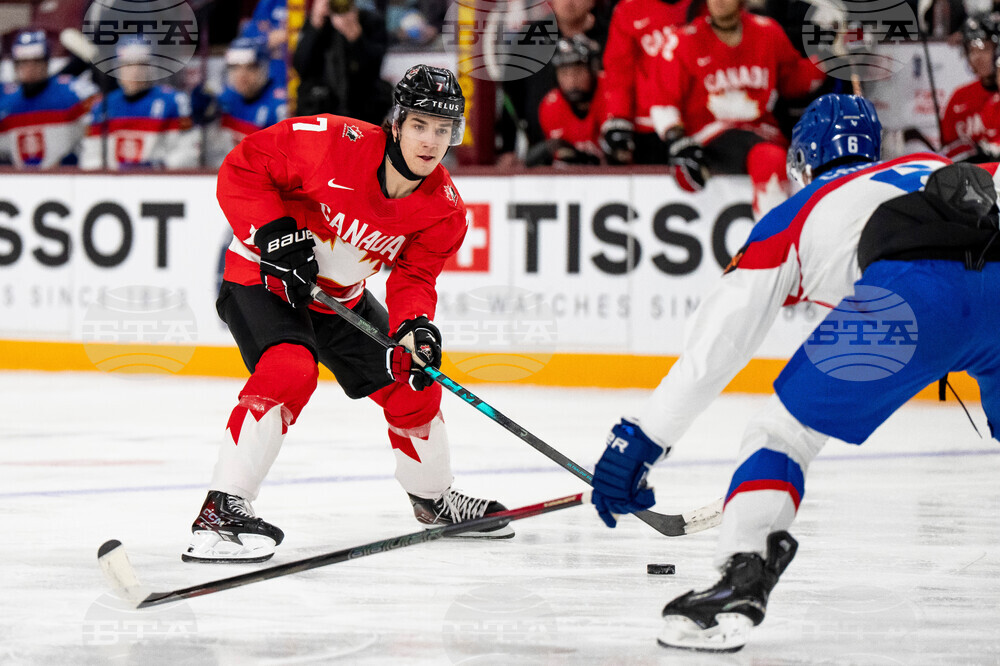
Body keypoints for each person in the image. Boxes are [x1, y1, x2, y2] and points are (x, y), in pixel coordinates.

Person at [590, 94, 1000, 651]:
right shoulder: (939, 166)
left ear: (803, 159)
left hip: (908, 300)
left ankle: (740, 576)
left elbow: (716, 350)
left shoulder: (794, 212)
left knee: (780, 433)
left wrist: (641, 440)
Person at [185, 65, 513, 563]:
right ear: (397, 123)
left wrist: (414, 326)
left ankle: (434, 500)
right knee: (291, 368)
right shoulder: (332, 141)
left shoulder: (445, 211)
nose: (430, 141)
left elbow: (414, 278)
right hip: (263, 277)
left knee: (413, 377)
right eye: (420, 125)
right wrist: (274, 233)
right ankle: (221, 512)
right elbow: (242, 166)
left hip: (342, 297)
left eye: (442, 130)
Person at [650, 0, 826, 219]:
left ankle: (774, 239)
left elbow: (793, 81)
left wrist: (829, 58)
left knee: (786, 156)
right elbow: (663, 101)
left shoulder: (767, 32)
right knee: (769, 158)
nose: (719, 1)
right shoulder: (683, 40)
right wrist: (677, 140)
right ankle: (770, 241)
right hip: (709, 139)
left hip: (761, 135)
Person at [599, 0, 707, 165]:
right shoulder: (628, 10)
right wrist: (619, 117)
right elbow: (619, 70)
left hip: (700, 122)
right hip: (648, 126)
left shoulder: (706, 6)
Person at [78, 38, 199, 170]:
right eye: (128, 65)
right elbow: (90, 158)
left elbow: (189, 153)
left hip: (159, 186)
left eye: (141, 65)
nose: (135, 72)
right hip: (113, 187)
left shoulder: (175, 102)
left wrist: (157, 167)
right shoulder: (102, 106)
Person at [0, 30, 95, 168]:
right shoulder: (7, 103)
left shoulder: (73, 92)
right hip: (21, 184)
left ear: (46, 62)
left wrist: (70, 159)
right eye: (23, 62)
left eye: (36, 61)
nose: (29, 68)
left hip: (68, 181)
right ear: (15, 65)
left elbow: (97, 128)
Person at [292, 0, 390, 123]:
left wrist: (355, 35)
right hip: (318, 111)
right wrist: (315, 24)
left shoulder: (371, 21)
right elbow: (301, 66)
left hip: (361, 113)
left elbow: (374, 69)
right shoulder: (317, 22)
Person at [206, 36, 288, 168]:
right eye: (234, 67)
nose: (241, 74)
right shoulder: (225, 98)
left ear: (264, 67)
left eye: (250, 67)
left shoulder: (280, 104)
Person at [527, 34, 606, 166]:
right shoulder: (550, 106)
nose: (572, 81)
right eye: (564, 73)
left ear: (593, 69)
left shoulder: (610, 93)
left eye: (578, 71)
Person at [940, 14, 1000, 162]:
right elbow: (947, 148)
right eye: (972, 51)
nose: (977, 57)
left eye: (984, 49)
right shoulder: (959, 97)